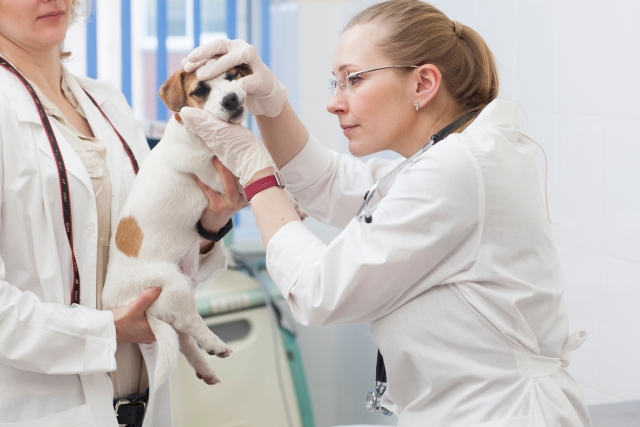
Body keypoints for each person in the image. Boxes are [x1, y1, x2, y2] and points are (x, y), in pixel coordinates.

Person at [181, 1, 593, 426]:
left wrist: (256, 171)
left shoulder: (458, 169)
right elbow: (330, 184)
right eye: (334, 81)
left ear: (423, 83)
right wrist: (270, 101)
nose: (333, 103)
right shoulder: (447, 158)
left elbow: (318, 291)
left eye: (352, 79)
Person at [0, 1, 244, 426]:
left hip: (145, 399)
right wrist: (108, 329)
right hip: (46, 407)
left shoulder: (107, 101)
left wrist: (210, 226)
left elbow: (150, 249)